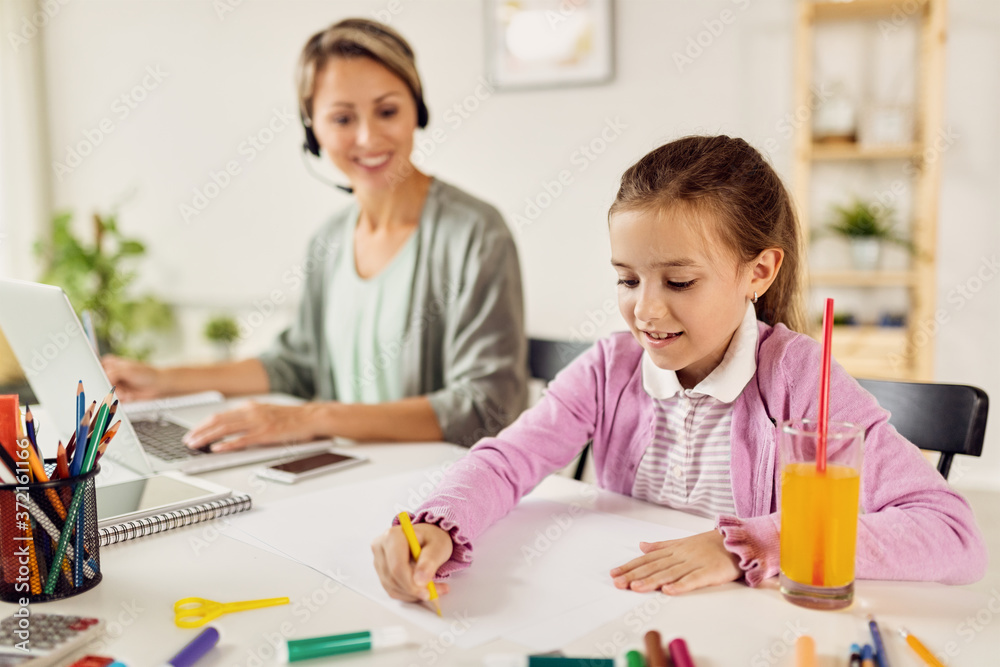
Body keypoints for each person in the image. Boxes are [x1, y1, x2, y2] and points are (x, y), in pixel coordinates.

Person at [371, 135, 987, 603]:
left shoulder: (799, 378)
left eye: (680, 280)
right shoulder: (610, 368)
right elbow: (507, 462)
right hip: (626, 616)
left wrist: (750, 544)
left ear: (759, 272)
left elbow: (952, 534)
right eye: (627, 278)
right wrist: (438, 522)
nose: (646, 309)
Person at [103, 19, 527, 450]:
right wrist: (163, 379)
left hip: (439, 495)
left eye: (387, 111)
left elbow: (486, 407)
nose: (367, 137)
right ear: (313, 131)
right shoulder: (330, 241)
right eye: (343, 118)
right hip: (350, 476)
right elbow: (296, 366)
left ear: (417, 110)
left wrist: (312, 418)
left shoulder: (476, 234)